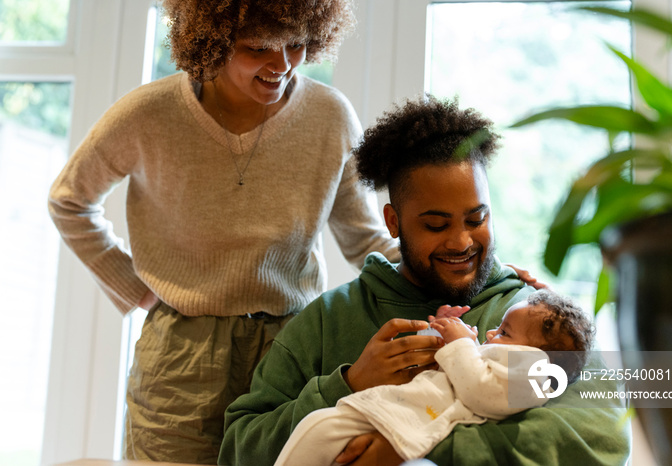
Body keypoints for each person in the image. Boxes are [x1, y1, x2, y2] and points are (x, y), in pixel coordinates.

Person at [47, 1, 401, 463]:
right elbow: (69, 200)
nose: (282, 66)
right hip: (180, 357)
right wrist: (135, 287)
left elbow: (366, 241)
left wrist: (472, 273)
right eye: (258, 48)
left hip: (291, 348)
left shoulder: (329, 116)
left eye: (295, 44)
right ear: (210, 38)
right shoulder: (148, 114)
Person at [219, 95, 630, 465]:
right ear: (393, 223)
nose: (461, 241)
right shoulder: (328, 319)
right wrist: (347, 384)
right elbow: (239, 448)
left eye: (477, 219)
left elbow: (601, 443)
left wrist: (409, 446)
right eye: (435, 224)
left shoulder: (534, 317)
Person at [274, 289, 595, 465]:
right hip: (391, 415)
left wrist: (461, 344)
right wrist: (440, 331)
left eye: (505, 332)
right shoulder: (494, 358)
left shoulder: (532, 377)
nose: (491, 333)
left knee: (321, 426)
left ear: (537, 356)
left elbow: (480, 393)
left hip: (404, 425)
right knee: (319, 426)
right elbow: (444, 371)